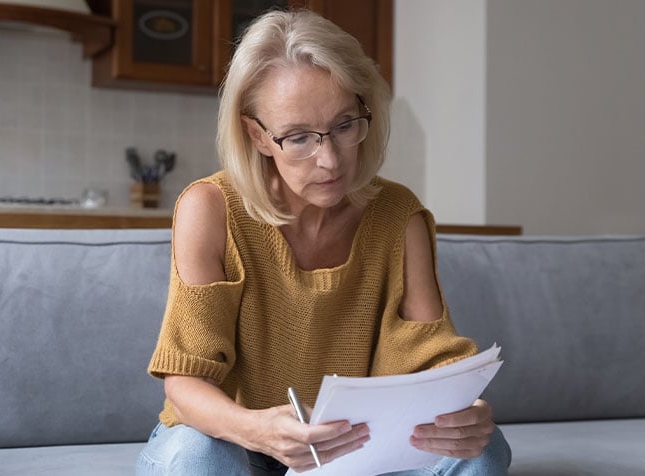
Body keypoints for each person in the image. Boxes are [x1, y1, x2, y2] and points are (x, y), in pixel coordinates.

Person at [136, 8, 511, 476]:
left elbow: (432, 360)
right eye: (298, 138)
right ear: (257, 135)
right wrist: (256, 430)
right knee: (199, 459)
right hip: (230, 439)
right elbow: (184, 381)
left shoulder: (398, 215)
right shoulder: (210, 208)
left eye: (344, 126)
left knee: (485, 451)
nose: (330, 160)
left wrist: (466, 412)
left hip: (350, 453)